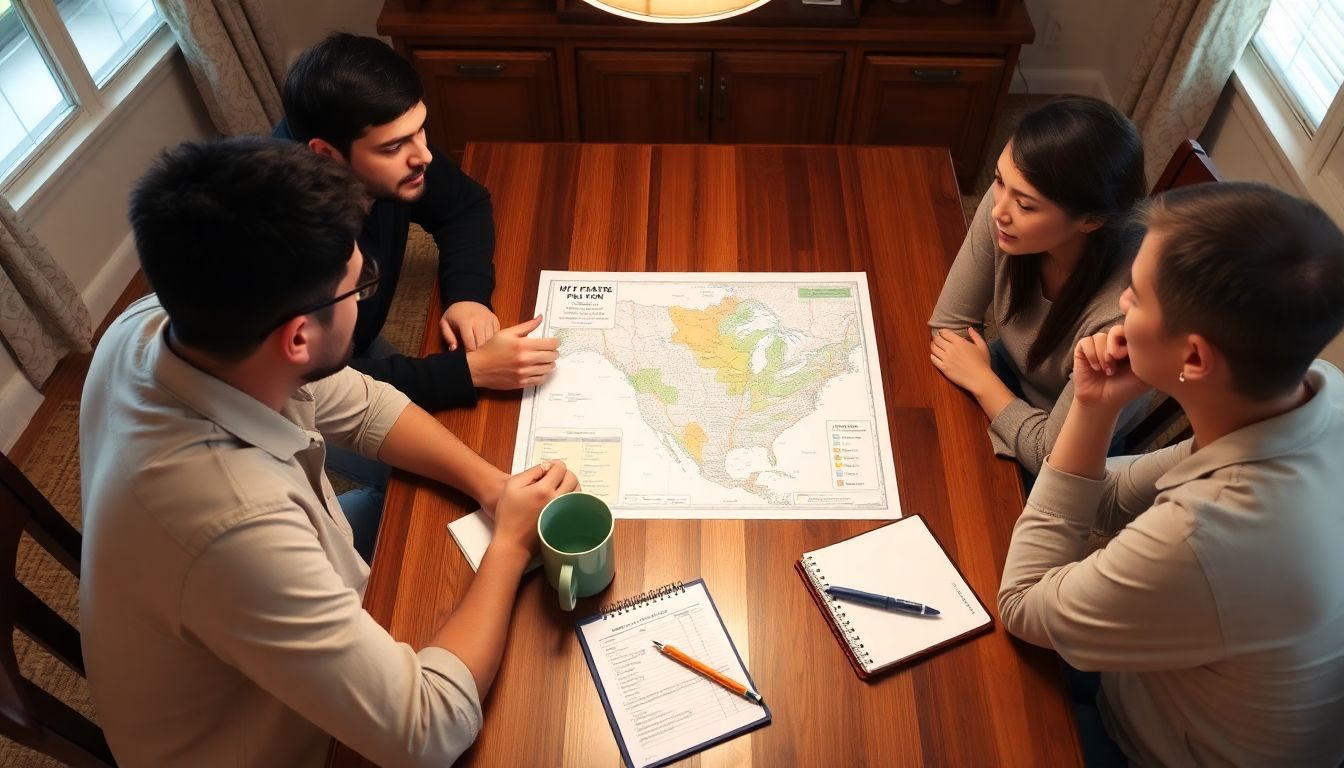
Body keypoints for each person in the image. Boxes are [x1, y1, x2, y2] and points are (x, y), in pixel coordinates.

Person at [78, 136, 579, 767]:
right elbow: (425, 732)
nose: (367, 288)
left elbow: (364, 404)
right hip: (275, 744)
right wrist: (507, 544)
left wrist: (491, 487)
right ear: (297, 338)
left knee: (406, 515)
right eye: (357, 285)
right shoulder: (232, 525)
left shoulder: (162, 320)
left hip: (229, 618)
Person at [998, 182, 1344, 766]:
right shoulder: (1321, 393)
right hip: (1172, 680)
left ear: (1193, 359)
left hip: (1142, 744)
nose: (1121, 309)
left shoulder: (1211, 534)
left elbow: (1023, 605)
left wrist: (1092, 409)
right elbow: (1106, 500)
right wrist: (1095, 404)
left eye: (1135, 295)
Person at [275, 32, 559, 414]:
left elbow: (464, 206)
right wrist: (469, 371)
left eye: (420, 128)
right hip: (289, 401)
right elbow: (315, 383)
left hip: (354, 341)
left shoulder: (378, 149)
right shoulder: (285, 244)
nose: (423, 155)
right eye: (394, 146)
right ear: (326, 153)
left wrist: (468, 295)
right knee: (412, 469)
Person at [928, 96, 1147, 476]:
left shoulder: (1124, 316)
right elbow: (949, 326)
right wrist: (989, 382)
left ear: (1090, 221)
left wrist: (983, 381)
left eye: (1026, 206)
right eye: (998, 181)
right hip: (1004, 379)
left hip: (1075, 455)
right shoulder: (1007, 209)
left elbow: (1053, 457)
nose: (998, 210)